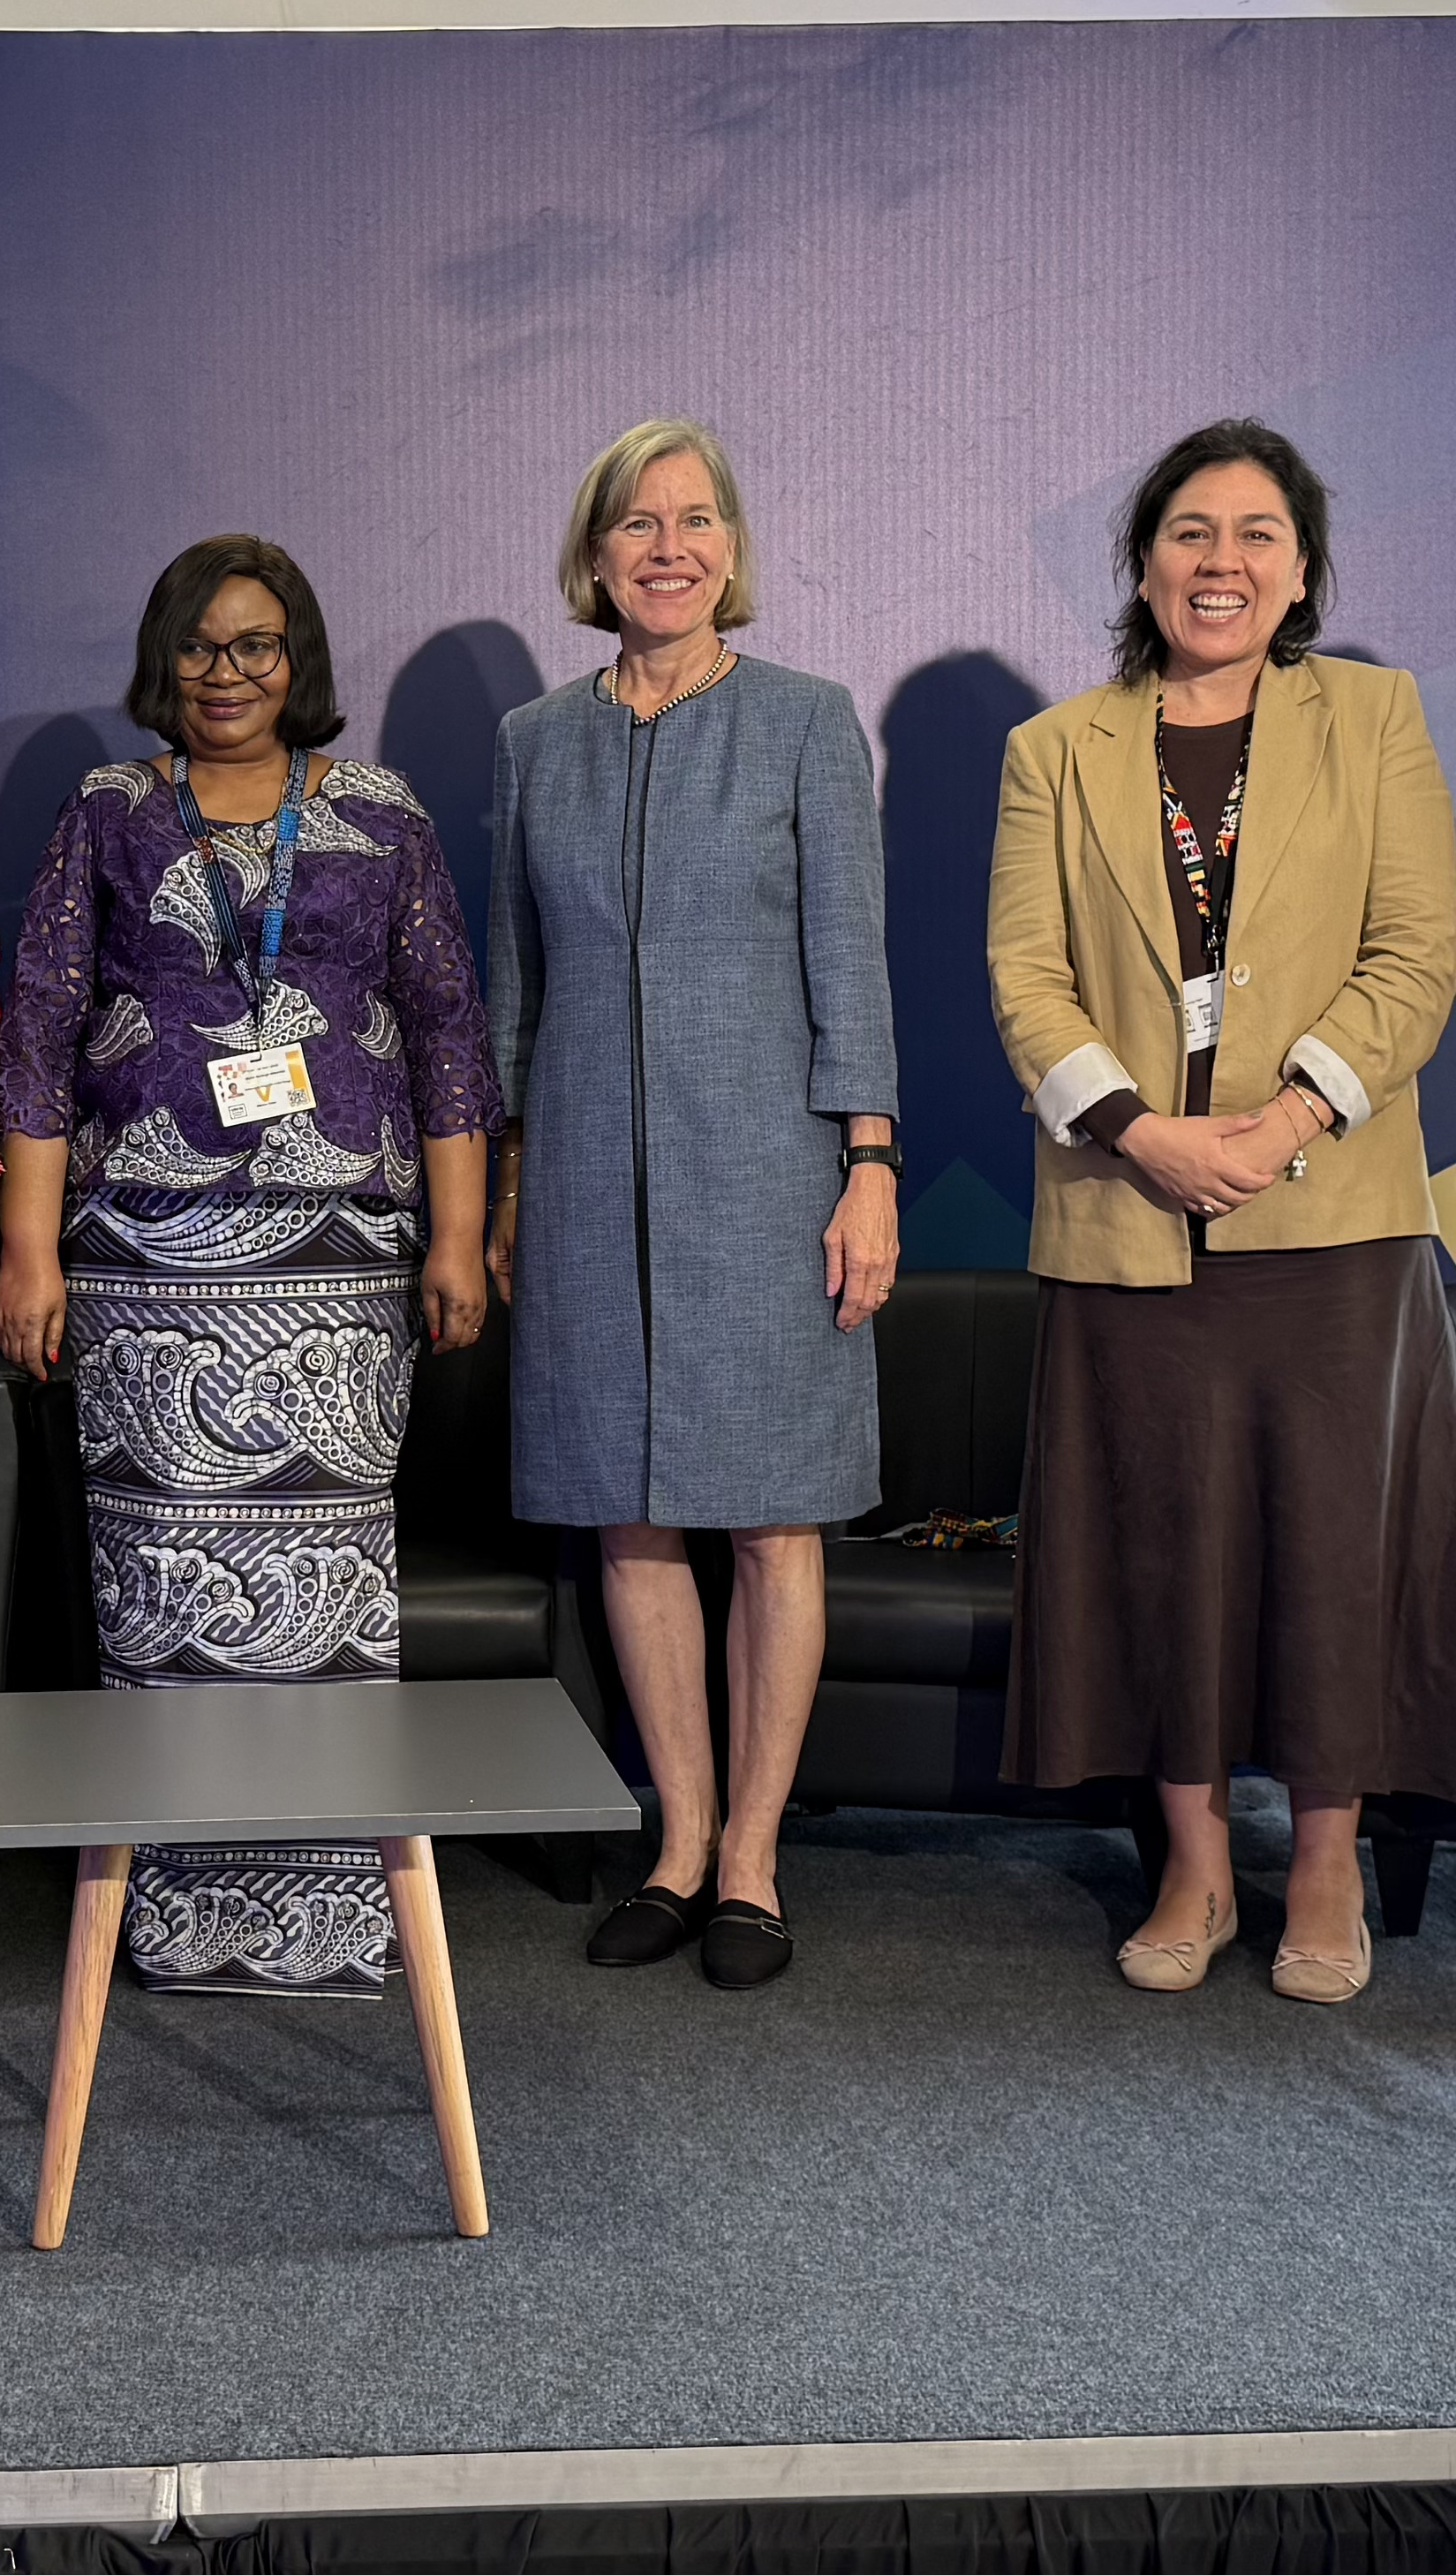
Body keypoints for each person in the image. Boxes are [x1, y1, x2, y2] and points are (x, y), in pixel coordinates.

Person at [984, 422, 1456, 2004]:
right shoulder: (1055, 749)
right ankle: (1196, 1867)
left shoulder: (1375, 717)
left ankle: (1326, 1863)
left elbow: (1418, 953)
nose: (1222, 562)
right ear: (1144, 563)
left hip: (1331, 1217)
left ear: (1303, 566)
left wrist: (1284, 1122)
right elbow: (1026, 977)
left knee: (1335, 1549)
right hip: (1128, 1214)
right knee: (1162, 1546)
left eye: (1257, 533)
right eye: (1191, 532)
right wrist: (1141, 1132)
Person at [0, 535, 502, 1997]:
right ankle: (177, 1915)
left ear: (299, 661)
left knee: (326, 1582)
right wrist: (27, 1250)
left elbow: (449, 1028)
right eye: (202, 645)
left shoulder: (382, 814)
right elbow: (36, 1031)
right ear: (166, 657)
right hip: (145, 1253)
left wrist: (456, 1232)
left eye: (257, 645)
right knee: (165, 1577)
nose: (228, 672)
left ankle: (330, 1921)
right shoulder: (109, 811)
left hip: (344, 1252)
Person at [487, 417, 900, 1993]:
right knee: (630, 1512)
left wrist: (871, 1166)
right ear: (594, 557)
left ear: (732, 547)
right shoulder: (535, 740)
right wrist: (508, 1178)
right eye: (638, 523)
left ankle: (753, 1859)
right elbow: (515, 985)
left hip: (773, 1176)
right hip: (586, 1180)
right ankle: (678, 1837)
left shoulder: (805, 722)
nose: (669, 548)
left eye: (697, 519)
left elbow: (851, 963)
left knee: (775, 1517)